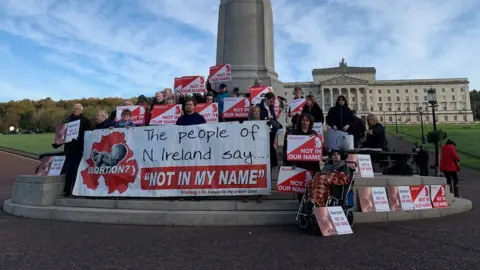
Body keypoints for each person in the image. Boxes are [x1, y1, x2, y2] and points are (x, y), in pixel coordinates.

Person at [284, 113, 321, 202]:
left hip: (312, 165)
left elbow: (320, 148)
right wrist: (291, 163)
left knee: (312, 189)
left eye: (307, 121)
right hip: (299, 165)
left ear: (310, 122)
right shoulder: (294, 133)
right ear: (300, 121)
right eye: (303, 120)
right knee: (300, 190)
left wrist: (315, 139)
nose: (305, 122)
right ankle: (301, 207)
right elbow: (288, 150)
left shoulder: (313, 133)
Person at [61, 104, 93, 196]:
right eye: (74, 108)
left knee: (76, 170)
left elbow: (89, 133)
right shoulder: (67, 119)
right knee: (68, 170)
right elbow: (62, 131)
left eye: (78, 109)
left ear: (81, 110)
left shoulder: (86, 120)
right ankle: (66, 191)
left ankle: (75, 191)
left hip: (79, 148)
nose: (75, 110)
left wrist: (79, 137)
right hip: (69, 149)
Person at [241, 105, 264, 203]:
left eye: (258, 112)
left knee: (259, 173)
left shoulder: (264, 124)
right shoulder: (245, 124)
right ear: (251, 113)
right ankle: (246, 193)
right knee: (247, 172)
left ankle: (260, 194)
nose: (257, 113)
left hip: (260, 151)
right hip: (248, 151)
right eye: (255, 111)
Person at [257, 92, 282, 168]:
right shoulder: (259, 106)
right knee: (264, 147)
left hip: (270, 129)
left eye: (273, 101)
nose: (271, 103)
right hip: (261, 130)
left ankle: (272, 164)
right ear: (266, 99)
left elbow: (274, 118)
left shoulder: (271, 107)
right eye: (270, 101)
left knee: (271, 146)